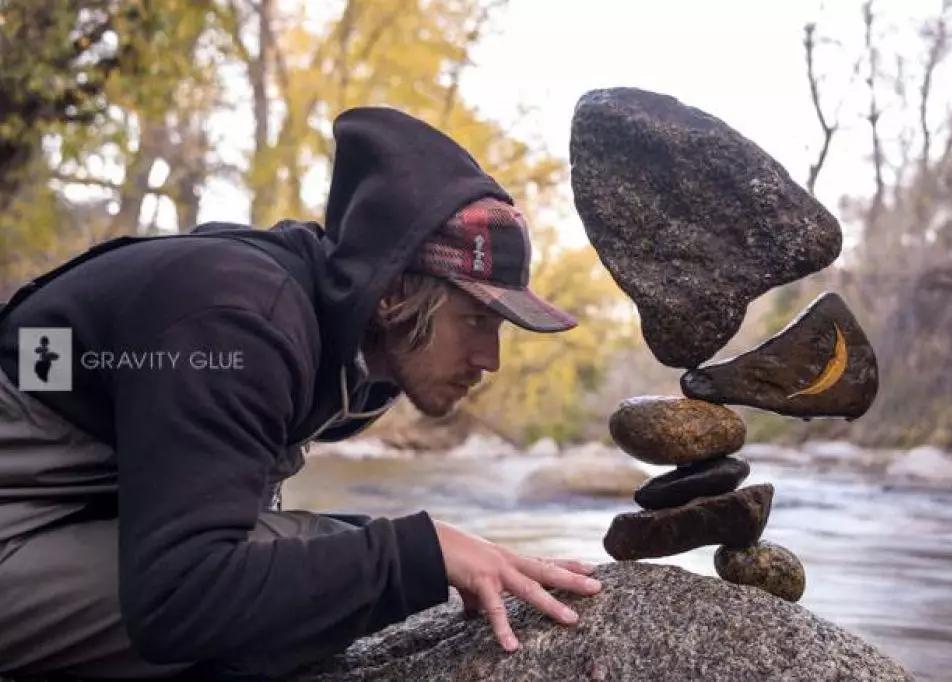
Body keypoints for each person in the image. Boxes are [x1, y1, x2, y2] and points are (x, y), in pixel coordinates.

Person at [0, 108, 603, 679]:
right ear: (395, 296)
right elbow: (180, 599)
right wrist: (422, 553)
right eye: (475, 320)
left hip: (51, 514)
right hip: (21, 519)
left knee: (330, 560)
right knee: (328, 564)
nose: (490, 359)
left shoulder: (352, 352)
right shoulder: (239, 323)